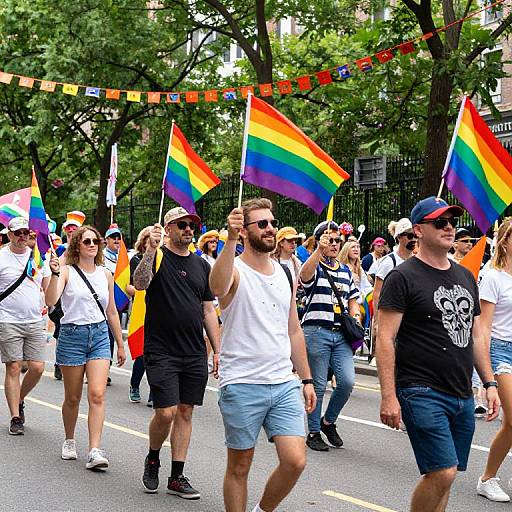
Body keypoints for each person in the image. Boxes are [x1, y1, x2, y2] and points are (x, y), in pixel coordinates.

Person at [377, 196, 500, 512]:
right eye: (440, 222)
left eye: (452, 222)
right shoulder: (402, 277)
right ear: (418, 230)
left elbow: (474, 337)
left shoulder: (465, 276)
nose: (449, 228)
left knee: (446, 478)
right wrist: (389, 397)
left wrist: (489, 383)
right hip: (420, 389)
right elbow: (386, 339)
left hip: (461, 393)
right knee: (441, 471)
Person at [209, 198, 315, 512]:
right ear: (245, 231)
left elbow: (293, 329)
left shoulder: (284, 273)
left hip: (283, 382)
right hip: (242, 383)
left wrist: (306, 378)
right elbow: (216, 286)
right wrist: (229, 238)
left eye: (272, 223)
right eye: (262, 224)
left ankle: (262, 510)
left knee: (295, 460)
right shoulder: (235, 270)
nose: (270, 229)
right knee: (240, 467)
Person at [133, 206, 220, 499]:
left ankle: (177, 476)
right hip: (161, 349)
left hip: (193, 350)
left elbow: (208, 309)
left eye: (191, 224)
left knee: (185, 411)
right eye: (181, 224)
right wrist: (150, 251)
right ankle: (153, 455)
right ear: (168, 228)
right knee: (166, 412)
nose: (188, 229)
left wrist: (217, 350)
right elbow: (140, 283)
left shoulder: (201, 265)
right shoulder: (157, 257)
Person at [45, 225, 126, 469]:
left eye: (95, 241)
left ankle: (94, 450)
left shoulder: (105, 274)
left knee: (98, 394)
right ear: (77, 245)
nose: (92, 245)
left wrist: (120, 345)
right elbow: (50, 301)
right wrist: (55, 274)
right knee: (72, 397)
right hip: (72, 335)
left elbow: (111, 311)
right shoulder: (67, 271)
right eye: (87, 241)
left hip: (100, 334)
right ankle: (69, 440)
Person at [299, 220, 360, 452]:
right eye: (329, 240)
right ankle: (313, 432)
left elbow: (353, 298)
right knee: (319, 384)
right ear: (320, 241)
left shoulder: (345, 270)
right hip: (317, 332)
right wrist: (317, 251)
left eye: (337, 240)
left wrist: (355, 313)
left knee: (347, 381)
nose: (334, 244)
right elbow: (304, 277)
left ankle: (328, 422)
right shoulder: (314, 265)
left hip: (340, 334)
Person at [0, 217, 50, 435]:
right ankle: (15, 417)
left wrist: (55, 272)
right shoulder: (1, 257)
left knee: (37, 367)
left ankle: (19, 398)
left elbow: (50, 293)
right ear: (9, 234)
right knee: (13, 366)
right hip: (7, 319)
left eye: (25, 233)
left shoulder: (39, 257)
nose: (22, 237)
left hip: (34, 320)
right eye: (17, 232)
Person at [476, 217, 512, 502]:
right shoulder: (493, 276)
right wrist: (486, 374)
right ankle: (487, 479)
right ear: (506, 241)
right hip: (501, 351)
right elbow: (484, 327)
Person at [370, 218, 417, 366]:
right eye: (409, 235)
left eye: (415, 235)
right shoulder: (389, 262)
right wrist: (377, 320)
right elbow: (377, 293)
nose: (414, 239)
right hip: (392, 318)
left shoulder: (417, 261)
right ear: (399, 238)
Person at [126, 226, 152, 405]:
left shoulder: (163, 258)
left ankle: (155, 393)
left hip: (160, 311)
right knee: (142, 354)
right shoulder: (135, 259)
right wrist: (138, 291)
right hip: (141, 311)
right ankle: (134, 385)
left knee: (159, 354)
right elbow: (129, 285)